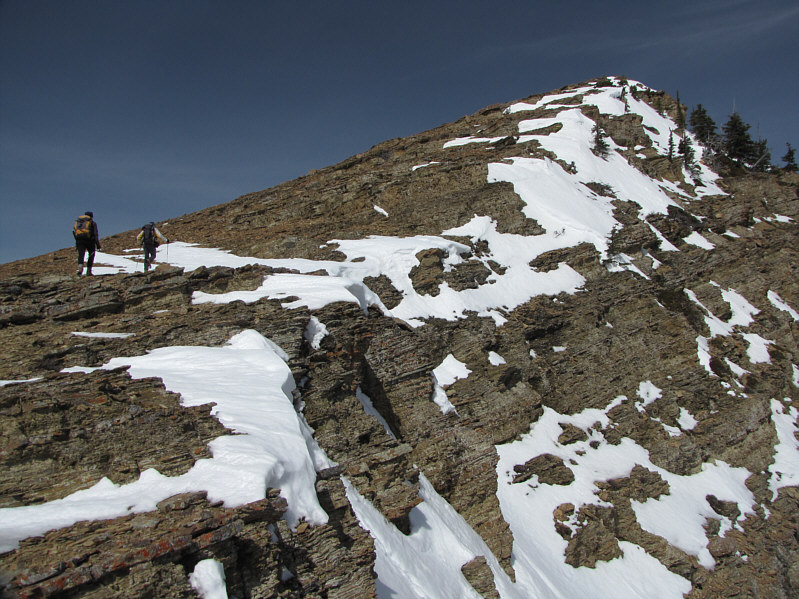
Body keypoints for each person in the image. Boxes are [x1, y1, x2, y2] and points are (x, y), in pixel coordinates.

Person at [73, 211, 101, 276]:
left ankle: (80, 269)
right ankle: (89, 271)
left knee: (81, 254)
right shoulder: (92, 223)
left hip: (79, 240)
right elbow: (95, 234)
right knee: (91, 254)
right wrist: (98, 245)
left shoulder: (79, 222)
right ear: (91, 216)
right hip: (90, 241)